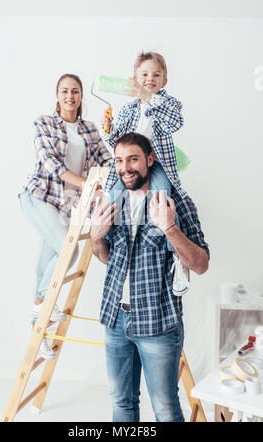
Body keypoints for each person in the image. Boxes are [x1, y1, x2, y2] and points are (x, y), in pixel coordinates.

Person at [90, 132, 209, 422]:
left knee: (166, 410)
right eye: (119, 160)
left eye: (133, 159)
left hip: (158, 323)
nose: (125, 168)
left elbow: (201, 263)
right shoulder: (112, 202)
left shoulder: (173, 202)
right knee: (121, 403)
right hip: (116, 319)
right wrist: (95, 236)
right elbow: (108, 258)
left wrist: (169, 228)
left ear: (150, 160)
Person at [19, 73, 112, 360]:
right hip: (39, 198)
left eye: (75, 91)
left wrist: (117, 169)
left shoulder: (89, 128)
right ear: (57, 95)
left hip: (65, 206)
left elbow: (105, 159)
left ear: (81, 96)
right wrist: (88, 183)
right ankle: (42, 306)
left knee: (44, 265)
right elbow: (52, 165)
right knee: (67, 253)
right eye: (64, 91)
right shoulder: (43, 124)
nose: (70, 96)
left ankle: (39, 328)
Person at [101, 51, 188, 294]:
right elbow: (117, 141)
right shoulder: (129, 109)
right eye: (145, 74)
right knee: (112, 195)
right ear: (135, 78)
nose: (150, 78)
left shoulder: (168, 104)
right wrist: (108, 129)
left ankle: (177, 260)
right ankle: (114, 246)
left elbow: (175, 121)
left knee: (162, 198)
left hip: (156, 163)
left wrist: (147, 97)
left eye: (156, 75)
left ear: (164, 81)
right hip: (132, 164)